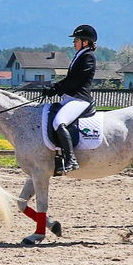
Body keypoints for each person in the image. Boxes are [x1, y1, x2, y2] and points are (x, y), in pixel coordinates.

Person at [43, 24, 98, 177]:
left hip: (80, 99)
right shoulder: (80, 55)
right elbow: (69, 79)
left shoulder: (88, 57)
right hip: (70, 98)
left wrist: (56, 89)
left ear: (85, 42)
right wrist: (53, 88)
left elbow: (76, 81)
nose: (73, 43)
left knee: (58, 122)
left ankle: (71, 159)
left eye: (76, 40)